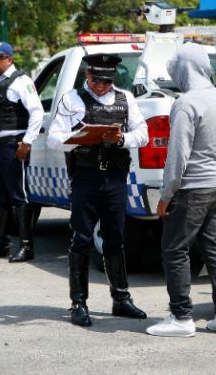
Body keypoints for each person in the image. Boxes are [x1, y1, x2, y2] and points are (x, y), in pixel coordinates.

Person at [47, 53, 149, 327]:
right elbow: (53, 138)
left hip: (115, 178)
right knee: (81, 239)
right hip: (85, 177)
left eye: (106, 81)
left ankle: (121, 298)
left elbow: (143, 134)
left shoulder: (125, 98)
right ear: (87, 75)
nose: (101, 86)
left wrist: (122, 139)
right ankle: (78, 303)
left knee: (115, 238)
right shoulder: (71, 99)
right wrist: (79, 138)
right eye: (96, 80)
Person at [145, 42, 216, 337]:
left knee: (174, 249)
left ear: (184, 69)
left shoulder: (185, 104)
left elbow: (177, 155)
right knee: (215, 249)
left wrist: (166, 194)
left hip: (193, 188)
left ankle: (181, 318)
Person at [0, 42, 43, 262]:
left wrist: (27, 142)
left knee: (19, 197)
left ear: (10, 59)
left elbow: (37, 112)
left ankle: (27, 246)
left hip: (13, 146)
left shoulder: (21, 82)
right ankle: (0, 244)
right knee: (0, 197)